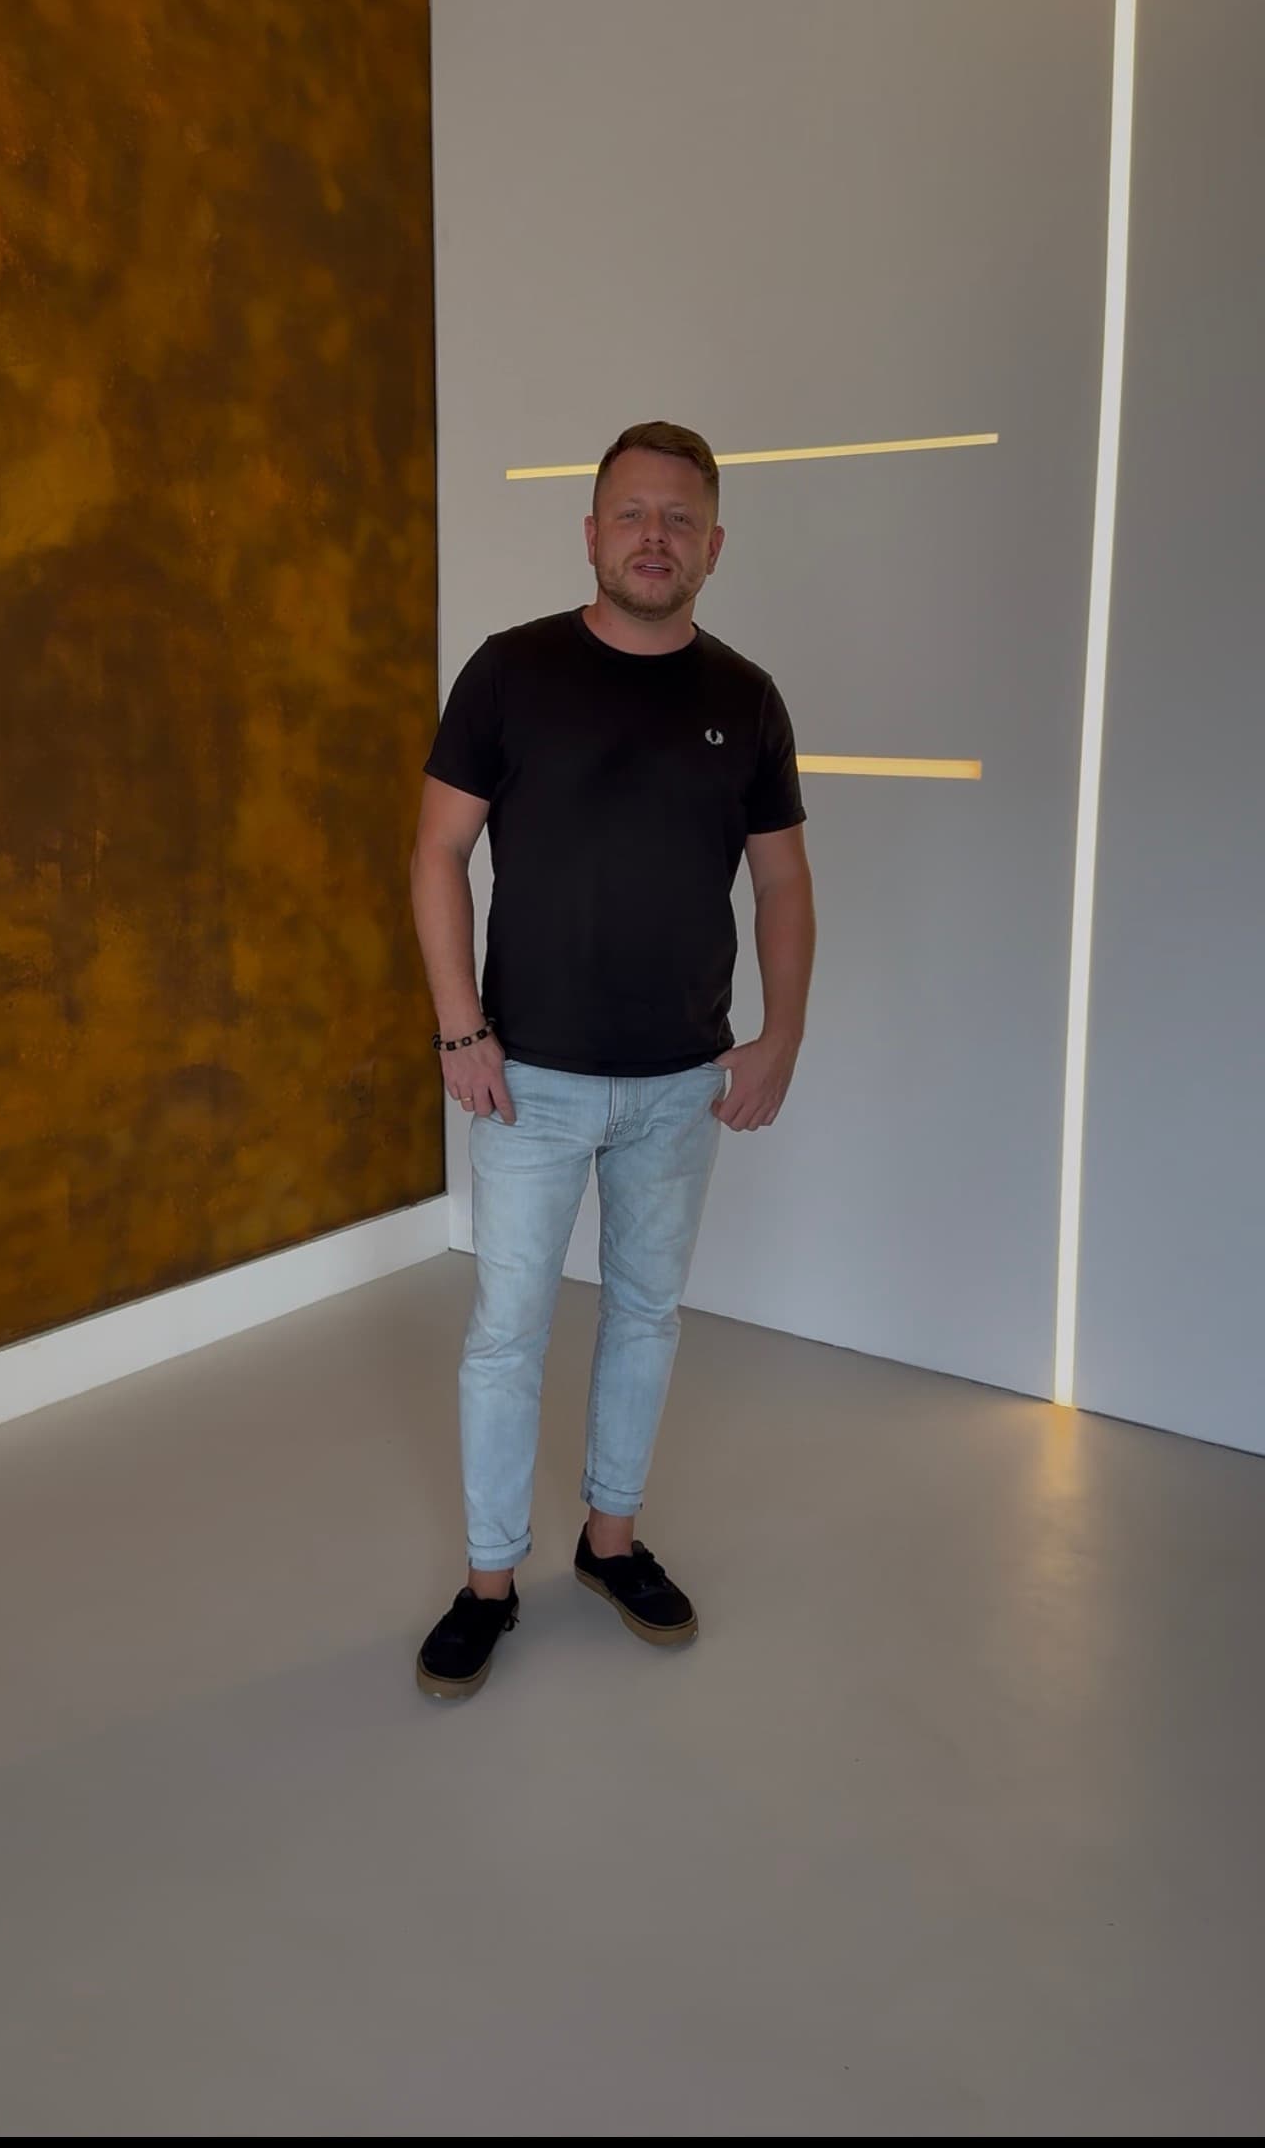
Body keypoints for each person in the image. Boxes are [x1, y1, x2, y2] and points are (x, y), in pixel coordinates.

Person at [410, 420, 815, 1698]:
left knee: (645, 1316)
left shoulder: (745, 698)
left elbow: (785, 884)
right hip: (526, 1076)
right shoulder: (509, 673)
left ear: (714, 544)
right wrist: (461, 1027)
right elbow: (434, 857)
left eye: (679, 518)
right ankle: (489, 1580)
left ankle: (610, 1541)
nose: (655, 536)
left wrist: (780, 1036)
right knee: (506, 1333)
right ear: (590, 533)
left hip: (682, 1082)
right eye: (631, 514)